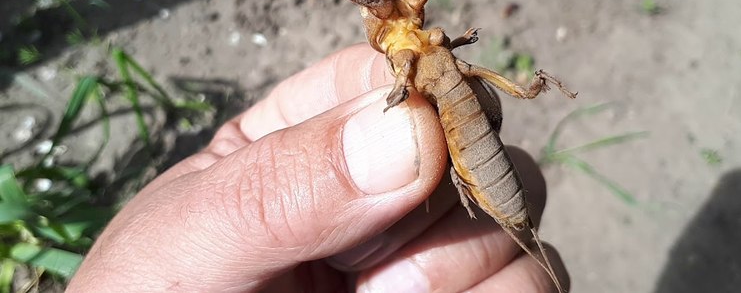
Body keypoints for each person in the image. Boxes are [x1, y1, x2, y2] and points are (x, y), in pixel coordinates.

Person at [67, 44, 568, 292]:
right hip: (476, 165)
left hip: (479, 162)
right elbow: (398, 87)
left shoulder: (430, 52)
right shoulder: (410, 59)